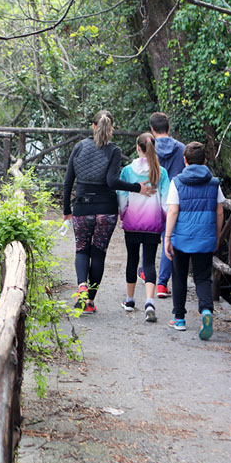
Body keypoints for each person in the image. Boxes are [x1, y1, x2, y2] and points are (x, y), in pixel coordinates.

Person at [62, 110, 155, 314]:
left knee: (81, 249)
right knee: (98, 253)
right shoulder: (113, 150)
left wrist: (67, 209)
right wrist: (137, 187)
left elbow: (68, 182)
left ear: (93, 126)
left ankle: (81, 287)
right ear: (111, 129)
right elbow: (112, 182)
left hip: (82, 207)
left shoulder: (79, 147)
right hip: (106, 209)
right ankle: (90, 301)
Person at [163, 142, 224, 339]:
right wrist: (217, 234)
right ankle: (206, 310)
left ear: (185, 160)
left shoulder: (177, 182)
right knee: (202, 277)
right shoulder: (214, 183)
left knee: (179, 276)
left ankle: (179, 319)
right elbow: (220, 211)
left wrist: (168, 237)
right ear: (205, 160)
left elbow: (173, 210)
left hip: (182, 237)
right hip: (205, 236)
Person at [117, 132, 170, 323]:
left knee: (132, 259)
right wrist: (163, 220)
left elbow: (122, 197)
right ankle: (149, 302)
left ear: (138, 148)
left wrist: (123, 215)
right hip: (153, 223)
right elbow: (166, 201)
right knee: (149, 262)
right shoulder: (161, 172)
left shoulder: (128, 171)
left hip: (132, 222)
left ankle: (130, 300)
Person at [148, 112, 186, 298]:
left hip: (152, 198)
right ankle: (162, 284)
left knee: (148, 237)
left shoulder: (149, 148)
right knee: (168, 239)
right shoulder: (182, 149)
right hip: (173, 201)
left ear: (152, 129)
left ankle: (145, 271)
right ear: (168, 128)